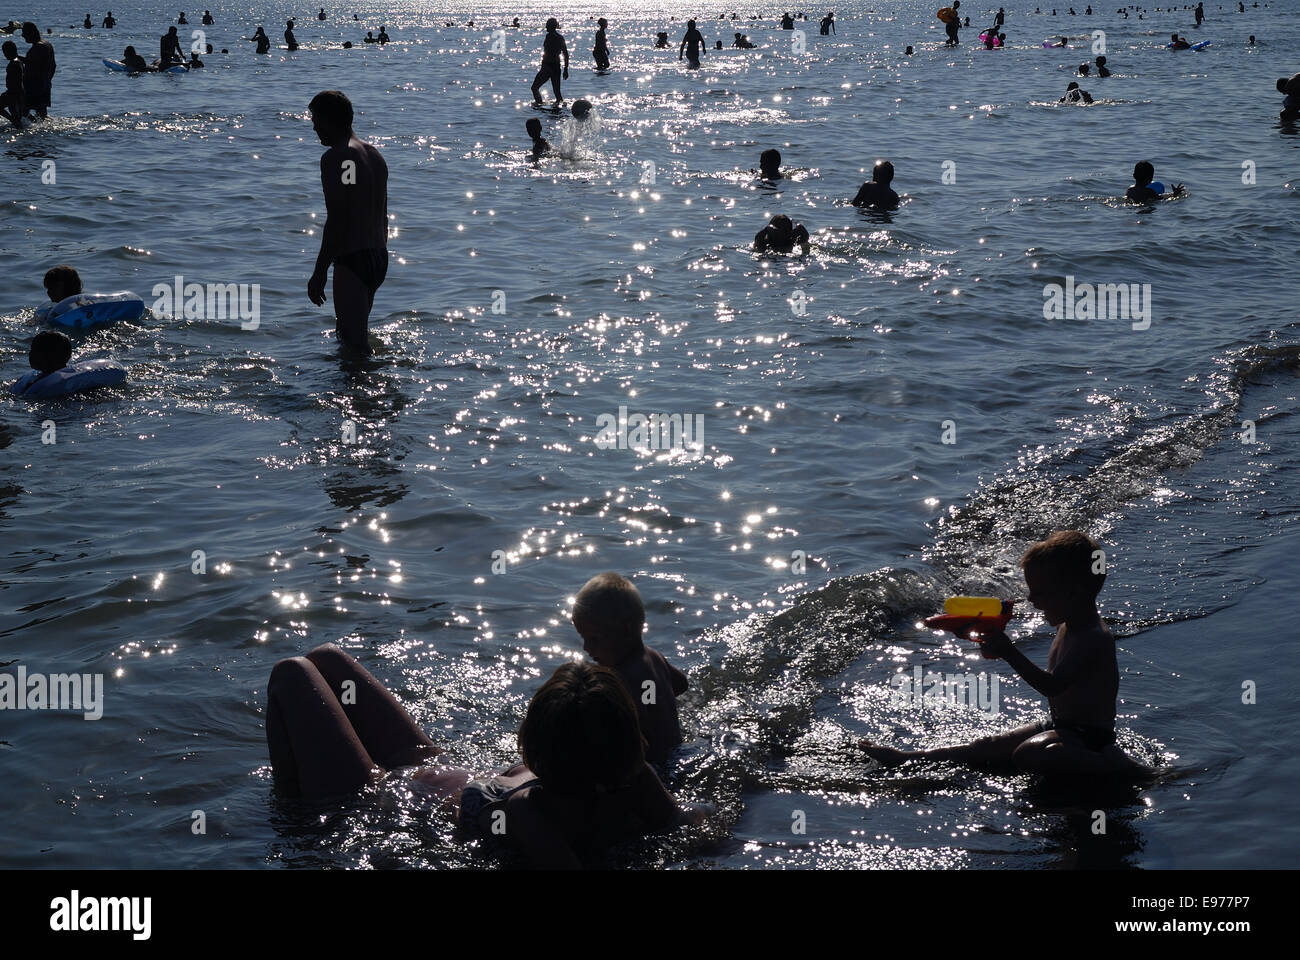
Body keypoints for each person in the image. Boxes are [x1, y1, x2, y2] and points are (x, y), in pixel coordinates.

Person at [265, 646, 705, 867]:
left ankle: (294, 806)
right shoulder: (636, 775)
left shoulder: (526, 812)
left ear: (533, 742)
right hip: (426, 764)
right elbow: (691, 828)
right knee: (326, 660)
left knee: (293, 672)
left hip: (374, 797)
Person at [860, 531, 1154, 780]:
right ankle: (908, 758)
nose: (1031, 599)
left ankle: (1115, 766)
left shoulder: (1093, 637)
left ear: (1073, 593)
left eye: (1040, 592)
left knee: (1030, 754)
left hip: (1090, 737)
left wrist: (1008, 651)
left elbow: (1052, 686)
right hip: (1061, 725)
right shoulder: (1070, 623)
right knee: (987, 745)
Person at [572, 573, 688, 768]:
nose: (586, 648)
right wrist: (659, 705)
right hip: (677, 754)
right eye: (583, 638)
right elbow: (681, 684)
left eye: (594, 639)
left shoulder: (624, 678)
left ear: (625, 630)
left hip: (656, 769)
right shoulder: (654, 657)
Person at [307, 90, 389, 355]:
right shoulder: (373, 154)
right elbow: (382, 213)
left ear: (331, 119)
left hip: (354, 259)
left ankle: (365, 393)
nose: (314, 127)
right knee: (354, 338)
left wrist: (320, 271)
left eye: (316, 120)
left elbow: (339, 216)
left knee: (353, 349)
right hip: (377, 256)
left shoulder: (339, 157)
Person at [531, 18, 568, 106]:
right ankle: (558, 109)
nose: (546, 26)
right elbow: (565, 54)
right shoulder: (554, 37)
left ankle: (539, 105)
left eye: (547, 25)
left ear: (552, 26)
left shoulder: (556, 37)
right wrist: (565, 69)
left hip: (549, 66)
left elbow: (565, 54)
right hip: (554, 67)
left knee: (534, 88)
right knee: (557, 93)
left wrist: (566, 69)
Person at [20, 22, 54, 121]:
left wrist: (17, 58)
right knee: (42, 115)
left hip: (35, 87)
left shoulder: (39, 46)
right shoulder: (47, 44)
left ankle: (27, 126)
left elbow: (34, 65)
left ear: (31, 32)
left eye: (24, 32)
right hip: (44, 85)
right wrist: (47, 81)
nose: (22, 35)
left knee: (23, 111)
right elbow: (53, 66)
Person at [0, 40, 22, 129]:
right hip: (15, 92)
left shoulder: (14, 63)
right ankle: (14, 121)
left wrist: (10, 94)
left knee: (16, 118)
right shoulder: (19, 61)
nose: (5, 55)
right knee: (18, 116)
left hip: (14, 93)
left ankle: (13, 121)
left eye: (6, 52)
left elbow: (16, 82)